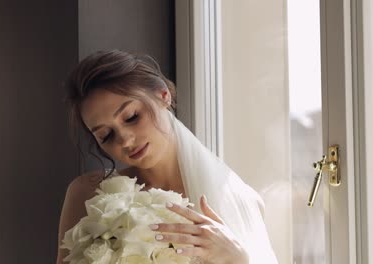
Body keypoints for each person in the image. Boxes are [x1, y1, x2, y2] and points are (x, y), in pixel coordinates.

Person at [57, 50, 278, 264]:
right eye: (106, 136)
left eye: (132, 117)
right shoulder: (89, 196)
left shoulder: (239, 199)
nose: (124, 140)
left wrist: (237, 260)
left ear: (163, 95)